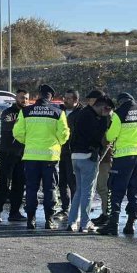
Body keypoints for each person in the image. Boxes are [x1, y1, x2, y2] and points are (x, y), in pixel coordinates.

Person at [13, 84, 70, 230]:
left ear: (38, 95)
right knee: (49, 189)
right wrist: (57, 143)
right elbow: (64, 135)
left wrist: (30, 142)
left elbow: (17, 132)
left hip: (31, 157)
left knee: (31, 189)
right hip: (50, 158)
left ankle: (30, 220)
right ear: (51, 96)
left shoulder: (26, 111)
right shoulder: (58, 112)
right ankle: (48, 220)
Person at [98, 93, 137, 236]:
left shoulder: (119, 114)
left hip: (123, 158)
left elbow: (111, 136)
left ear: (120, 102)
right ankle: (131, 223)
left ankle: (113, 224)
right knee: (136, 190)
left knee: (116, 190)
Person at [67, 96, 115, 232]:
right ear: (102, 107)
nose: (108, 112)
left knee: (79, 191)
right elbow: (99, 137)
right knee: (88, 192)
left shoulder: (81, 114)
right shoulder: (95, 119)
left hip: (75, 156)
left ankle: (71, 222)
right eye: (108, 109)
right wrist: (106, 119)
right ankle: (85, 223)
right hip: (88, 157)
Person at [0, 89, 29, 223]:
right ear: (16, 98)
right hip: (8, 152)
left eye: (26, 98)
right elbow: (11, 128)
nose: (23, 100)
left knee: (19, 184)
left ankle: (14, 212)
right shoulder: (8, 112)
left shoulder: (28, 113)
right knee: (4, 183)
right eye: (21, 98)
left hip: (22, 153)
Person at [55, 89, 83, 221]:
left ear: (76, 100)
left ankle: (74, 209)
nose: (65, 100)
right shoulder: (59, 111)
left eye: (68, 99)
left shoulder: (82, 113)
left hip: (74, 152)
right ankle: (65, 208)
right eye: (64, 98)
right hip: (60, 151)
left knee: (73, 182)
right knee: (62, 182)